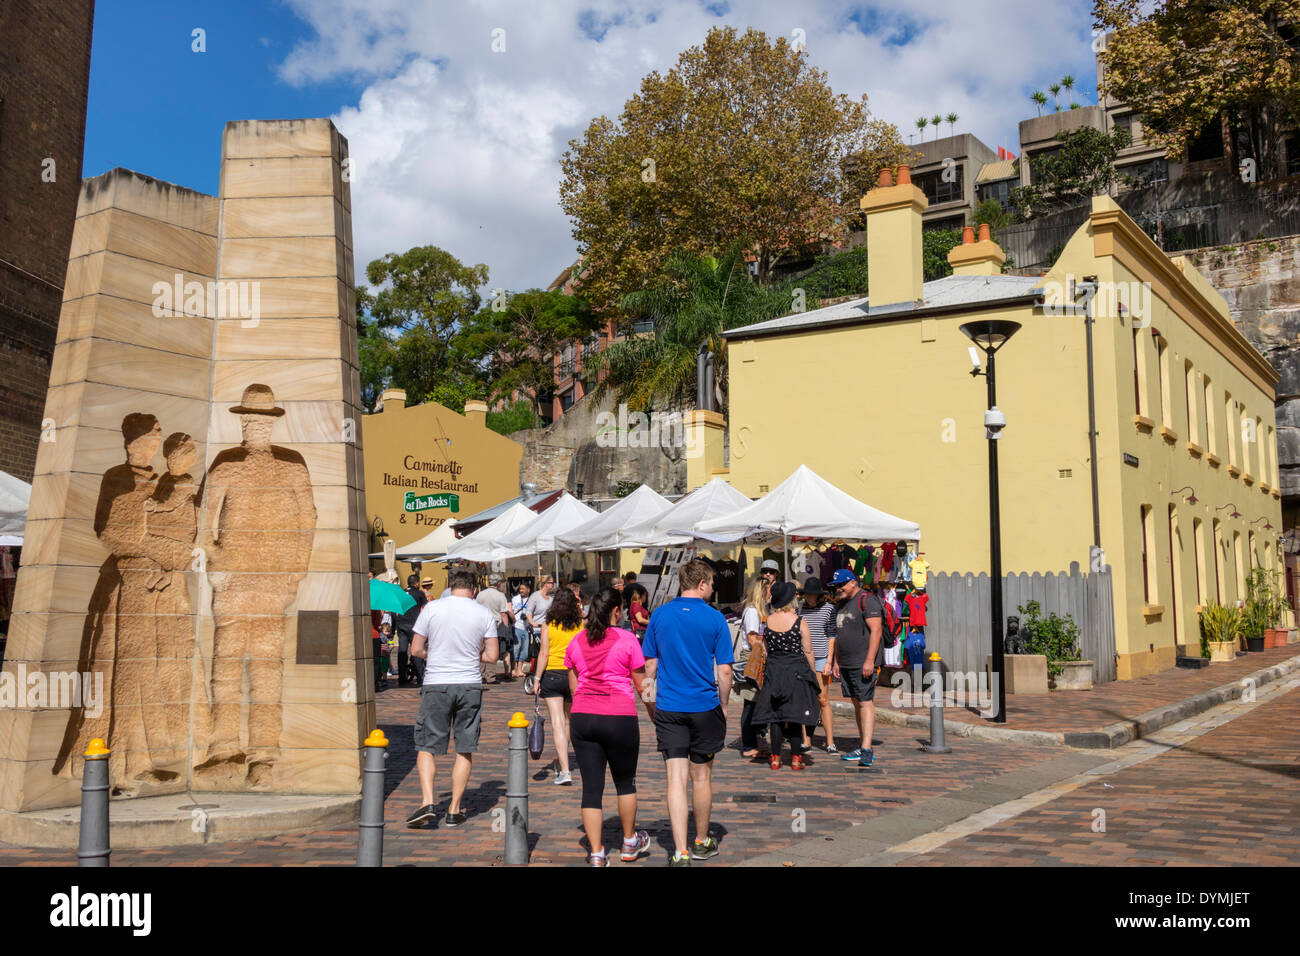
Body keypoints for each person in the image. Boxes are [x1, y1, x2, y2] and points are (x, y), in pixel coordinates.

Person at [641, 558, 733, 865]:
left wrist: (649, 701)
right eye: (712, 584)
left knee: (675, 779)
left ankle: (679, 852)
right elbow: (725, 672)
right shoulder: (715, 618)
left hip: (669, 705)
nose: (712, 589)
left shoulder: (659, 615)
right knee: (702, 777)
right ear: (703, 583)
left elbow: (649, 666)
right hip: (704, 705)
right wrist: (723, 704)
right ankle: (701, 840)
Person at [565, 587, 654, 866]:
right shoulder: (628, 640)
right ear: (617, 611)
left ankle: (596, 852)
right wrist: (656, 715)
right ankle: (629, 842)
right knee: (625, 783)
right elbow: (643, 687)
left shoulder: (576, 641)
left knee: (591, 788)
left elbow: (573, 688)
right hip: (619, 717)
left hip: (583, 717)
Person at [406, 570, 499, 829]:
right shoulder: (482, 614)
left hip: (436, 682)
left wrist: (435, 654)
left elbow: (415, 649)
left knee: (427, 745)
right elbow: (492, 656)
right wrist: (469, 655)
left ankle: (427, 801)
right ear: (473, 589)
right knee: (464, 746)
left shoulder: (432, 608)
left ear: (451, 586)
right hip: (469, 683)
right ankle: (455, 809)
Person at [750, 582, 820, 770]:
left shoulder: (768, 620)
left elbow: (765, 648)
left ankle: (775, 758)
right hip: (796, 671)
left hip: (774, 670)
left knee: (776, 716)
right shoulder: (799, 621)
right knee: (795, 714)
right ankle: (796, 758)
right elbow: (808, 651)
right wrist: (812, 673)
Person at [829, 568, 883, 769]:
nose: (838, 589)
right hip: (846, 663)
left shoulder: (867, 600)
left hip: (863, 662)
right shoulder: (841, 603)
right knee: (856, 703)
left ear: (852, 582)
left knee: (865, 701)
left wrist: (870, 660)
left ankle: (867, 749)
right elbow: (839, 633)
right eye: (836, 586)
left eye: (841, 585)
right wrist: (836, 661)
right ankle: (862, 744)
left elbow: (876, 631)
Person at [534, 585, 582, 785]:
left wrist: (536, 679)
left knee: (557, 723)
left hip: (552, 674)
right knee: (569, 721)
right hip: (574, 674)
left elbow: (544, 653)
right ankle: (564, 761)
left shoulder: (548, 624)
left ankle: (564, 769)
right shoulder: (580, 624)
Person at [799, 576, 838, 753]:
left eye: (811, 594)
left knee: (823, 699)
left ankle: (830, 741)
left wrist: (829, 661)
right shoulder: (800, 609)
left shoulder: (829, 609)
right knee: (805, 700)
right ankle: (806, 740)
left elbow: (832, 636)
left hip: (821, 657)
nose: (807, 597)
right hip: (803, 658)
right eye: (806, 594)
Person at [737, 576, 770, 759]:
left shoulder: (758, 611)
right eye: (768, 590)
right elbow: (752, 639)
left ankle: (755, 740)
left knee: (756, 703)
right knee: (750, 703)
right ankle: (748, 744)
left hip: (758, 658)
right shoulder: (751, 612)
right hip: (752, 659)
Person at [476, 573, 514, 683]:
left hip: (480, 624)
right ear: (498, 583)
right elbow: (503, 614)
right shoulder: (500, 596)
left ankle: (481, 674)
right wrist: (506, 629)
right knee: (492, 650)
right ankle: (491, 676)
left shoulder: (480, 594)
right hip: (494, 625)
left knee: (482, 649)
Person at [396, 573, 428, 686]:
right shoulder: (419, 593)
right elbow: (425, 609)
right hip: (414, 625)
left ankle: (402, 679)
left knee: (402, 651)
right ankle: (421, 678)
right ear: (416, 583)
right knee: (416, 650)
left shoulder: (401, 593)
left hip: (401, 623)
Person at [510, 583, 531, 679]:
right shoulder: (515, 599)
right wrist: (513, 620)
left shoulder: (531, 600)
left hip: (527, 628)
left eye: (523, 589)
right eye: (520, 589)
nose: (521, 591)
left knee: (524, 651)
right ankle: (513, 669)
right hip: (516, 626)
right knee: (516, 649)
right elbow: (511, 610)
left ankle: (520, 669)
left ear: (528, 590)